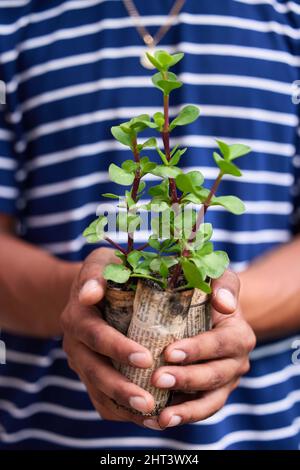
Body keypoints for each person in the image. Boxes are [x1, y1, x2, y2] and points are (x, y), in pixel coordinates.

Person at [0, 0, 299, 450]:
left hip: (262, 435)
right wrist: (84, 299)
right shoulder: (13, 19)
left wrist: (216, 316)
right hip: (47, 435)